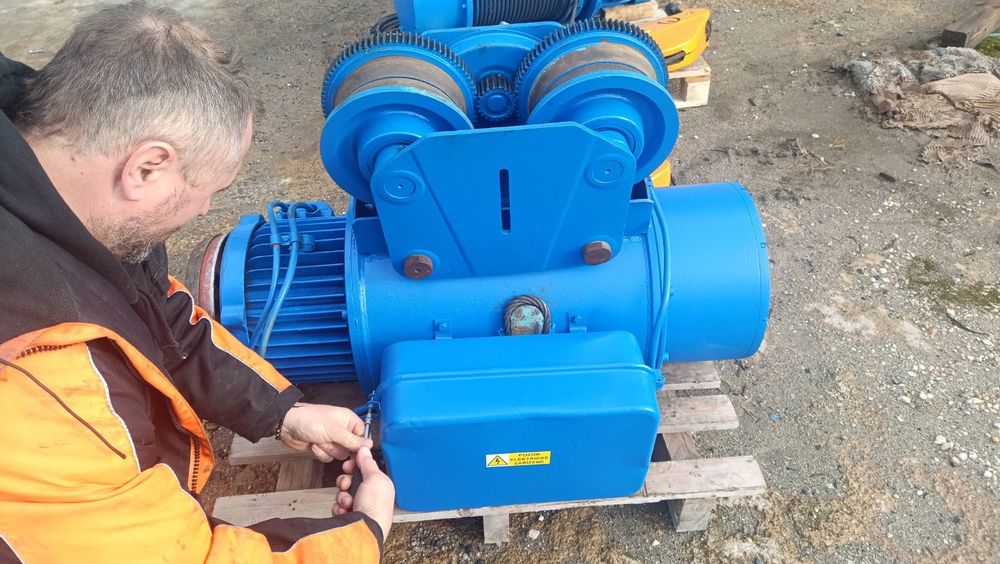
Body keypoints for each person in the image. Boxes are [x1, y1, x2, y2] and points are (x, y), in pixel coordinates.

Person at [0, 2, 394, 562]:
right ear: (145, 168)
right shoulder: (42, 374)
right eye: (208, 190)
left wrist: (283, 412)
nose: (207, 210)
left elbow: (158, 315)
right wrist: (364, 532)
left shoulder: (63, 194)